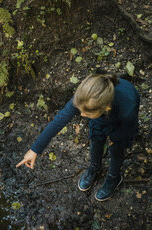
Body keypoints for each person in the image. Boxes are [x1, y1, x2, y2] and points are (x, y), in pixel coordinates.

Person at [16, 73, 140, 201]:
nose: (81, 114)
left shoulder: (127, 109)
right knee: (96, 138)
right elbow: (60, 119)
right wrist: (35, 149)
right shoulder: (84, 98)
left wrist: (114, 138)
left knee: (116, 148)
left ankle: (114, 177)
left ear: (105, 108)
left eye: (85, 113)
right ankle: (94, 167)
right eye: (81, 110)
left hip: (122, 123)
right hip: (100, 116)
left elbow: (127, 130)